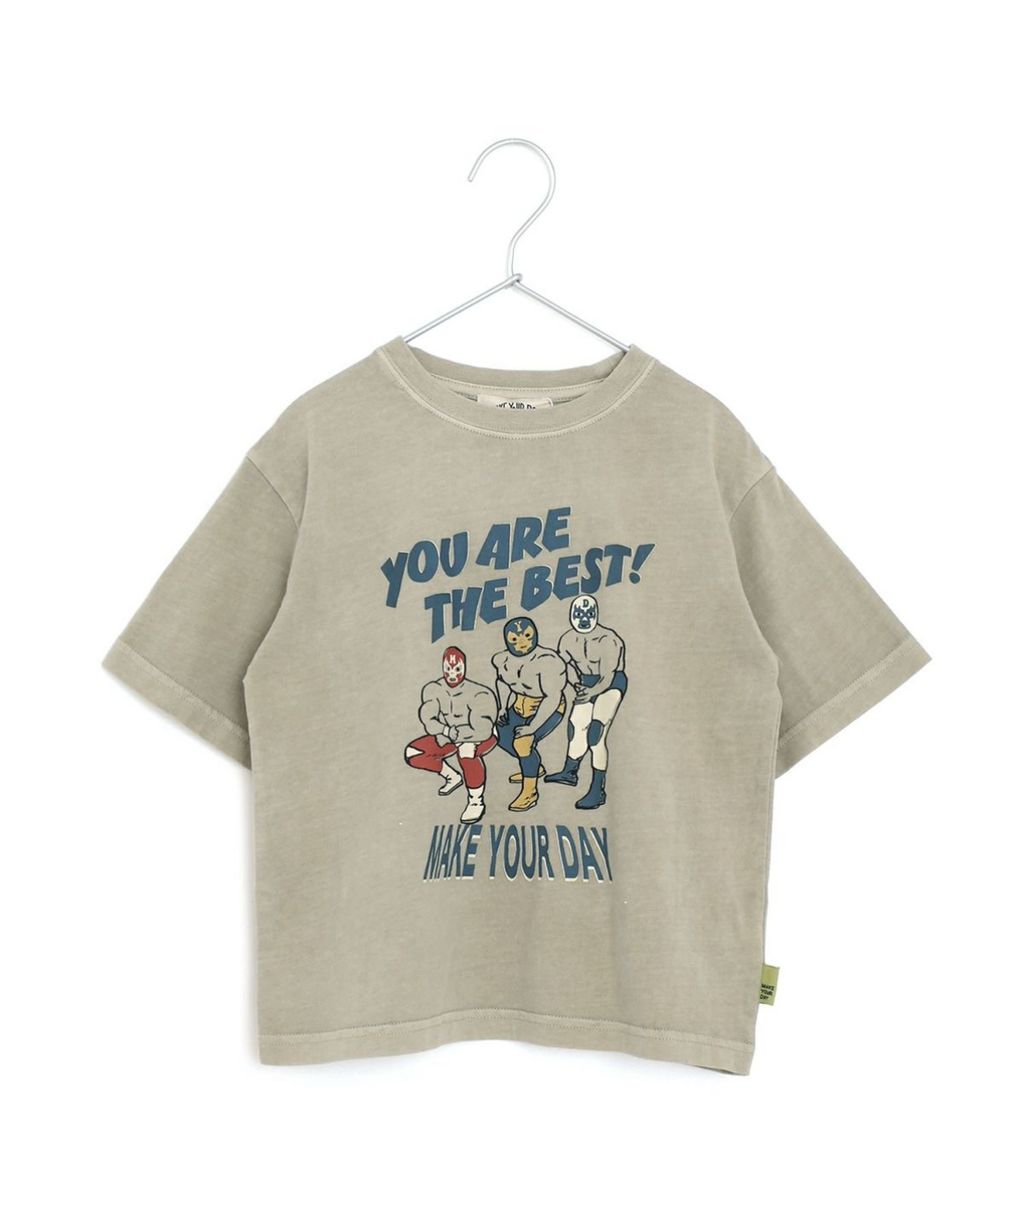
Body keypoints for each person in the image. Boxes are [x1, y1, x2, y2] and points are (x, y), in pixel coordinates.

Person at [545, 594, 627, 809]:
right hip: (585, 682)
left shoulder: (609, 640)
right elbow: (565, 665)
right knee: (576, 725)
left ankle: (598, 788)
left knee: (596, 732)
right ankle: (570, 771)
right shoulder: (567, 639)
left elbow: (608, 675)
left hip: (610, 684)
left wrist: (592, 692)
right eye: (579, 614)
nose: (583, 619)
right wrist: (576, 684)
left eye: (588, 614)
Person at [404, 646, 497, 823]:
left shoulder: (479, 693)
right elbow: (428, 720)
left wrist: (455, 734)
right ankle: (452, 776)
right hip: (450, 735)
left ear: (464, 667)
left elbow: (483, 729)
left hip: (479, 736)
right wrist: (445, 731)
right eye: (448, 668)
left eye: (457, 669)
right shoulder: (434, 689)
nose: (452, 674)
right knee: (413, 753)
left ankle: (476, 800)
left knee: (467, 751)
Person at [492, 617, 567, 812]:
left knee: (523, 743)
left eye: (526, 636)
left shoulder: (548, 662)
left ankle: (530, 791)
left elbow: (552, 698)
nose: (522, 642)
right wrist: (502, 707)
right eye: (515, 639)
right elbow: (502, 682)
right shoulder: (502, 660)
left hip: (548, 708)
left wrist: (532, 728)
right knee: (498, 735)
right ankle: (533, 766)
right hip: (519, 705)